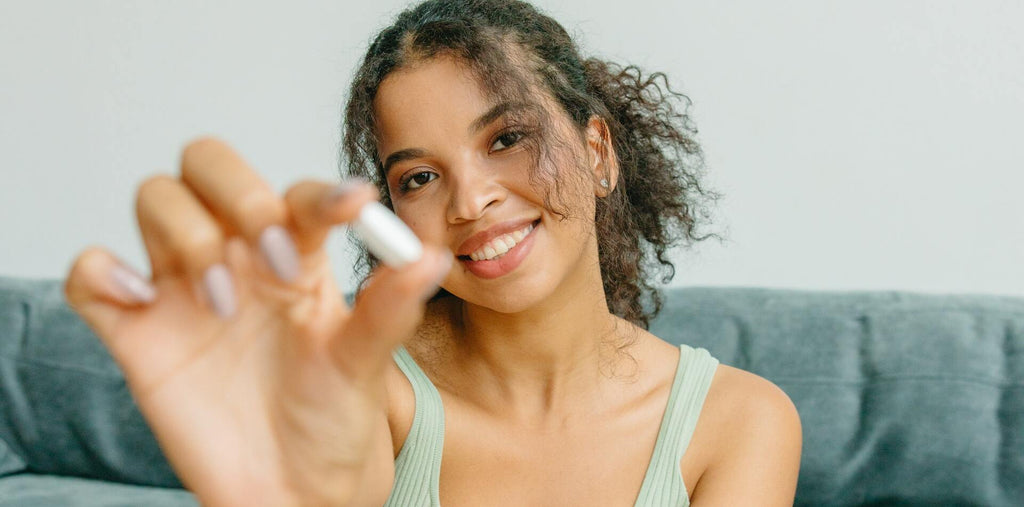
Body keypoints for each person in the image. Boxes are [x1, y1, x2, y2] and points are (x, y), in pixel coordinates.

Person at [63, 0, 802, 505]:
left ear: (598, 151)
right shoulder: (367, 396)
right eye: (419, 177)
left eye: (506, 138)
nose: (469, 202)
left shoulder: (739, 423)